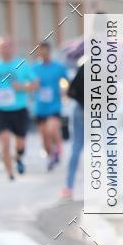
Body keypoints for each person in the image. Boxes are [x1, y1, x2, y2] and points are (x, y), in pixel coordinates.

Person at [0, 36, 37, 180]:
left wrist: (22, 87)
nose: (5, 49)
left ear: (12, 48)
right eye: (2, 46)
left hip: (19, 109)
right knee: (5, 141)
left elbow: (35, 83)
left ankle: (19, 157)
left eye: (7, 46)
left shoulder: (21, 64)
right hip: (1, 110)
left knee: (20, 143)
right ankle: (10, 173)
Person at [32, 40, 68, 171]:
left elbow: (65, 81)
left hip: (54, 105)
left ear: (49, 52)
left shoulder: (58, 67)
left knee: (52, 129)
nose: (44, 54)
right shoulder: (34, 68)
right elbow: (29, 83)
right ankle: (50, 155)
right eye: (42, 52)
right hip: (40, 106)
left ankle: (57, 147)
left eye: (46, 51)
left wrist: (63, 89)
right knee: (44, 136)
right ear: (39, 52)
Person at [60, 59, 85, 200]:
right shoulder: (107, 67)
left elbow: (71, 91)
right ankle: (111, 185)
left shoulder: (85, 65)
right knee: (104, 147)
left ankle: (68, 187)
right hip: (98, 111)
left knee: (76, 148)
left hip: (81, 109)